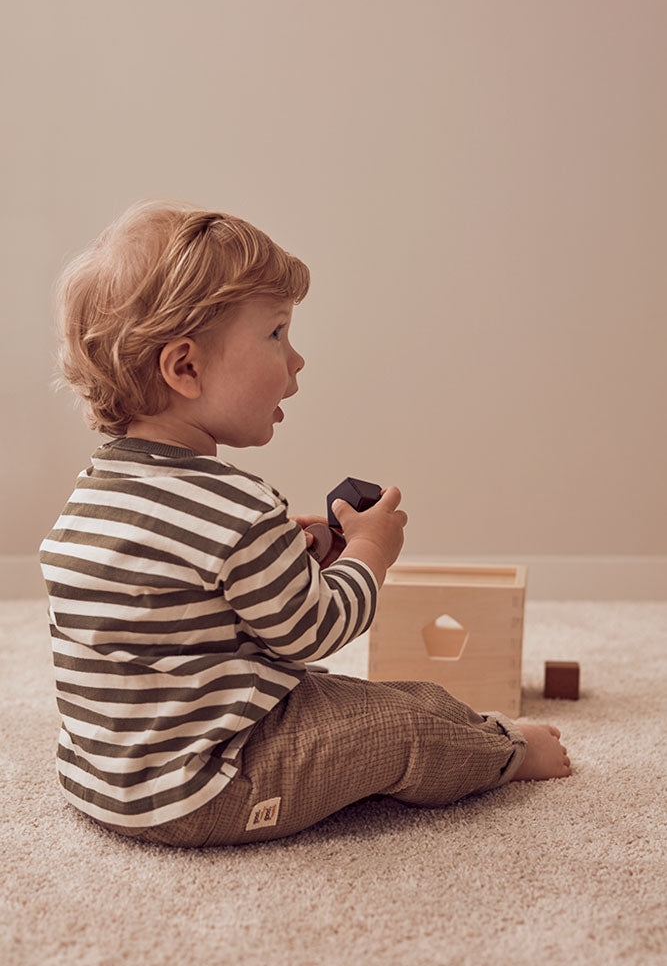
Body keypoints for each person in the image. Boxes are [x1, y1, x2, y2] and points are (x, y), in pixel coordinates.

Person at [39, 200, 571, 848]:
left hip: (106, 780)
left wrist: (282, 553)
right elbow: (311, 631)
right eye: (275, 335)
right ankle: (506, 750)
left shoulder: (96, 496)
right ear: (185, 368)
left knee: (336, 699)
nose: (296, 361)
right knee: (405, 721)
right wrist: (370, 550)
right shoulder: (233, 509)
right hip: (210, 787)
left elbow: (177, 613)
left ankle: (472, 732)